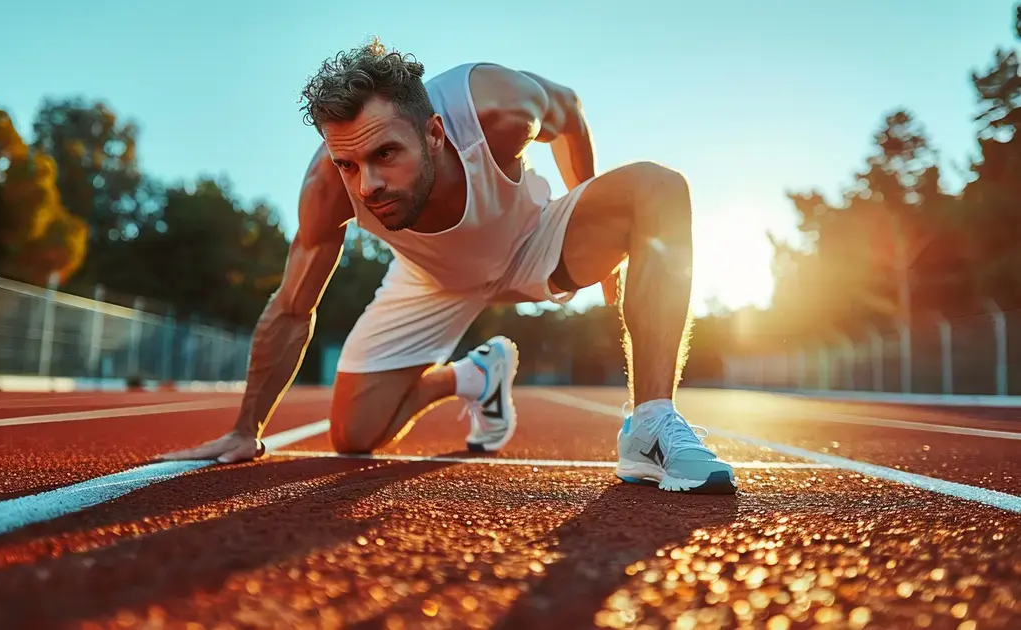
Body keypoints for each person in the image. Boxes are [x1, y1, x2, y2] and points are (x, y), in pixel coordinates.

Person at [160, 38, 736, 494]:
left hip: (531, 241)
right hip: (430, 278)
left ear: (435, 133)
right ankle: (473, 377)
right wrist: (247, 428)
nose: (370, 185)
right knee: (354, 436)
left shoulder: (498, 106)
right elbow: (292, 307)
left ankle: (650, 424)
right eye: (348, 164)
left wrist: (585, 201)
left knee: (658, 188)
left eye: (386, 154)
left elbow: (571, 110)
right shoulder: (328, 189)